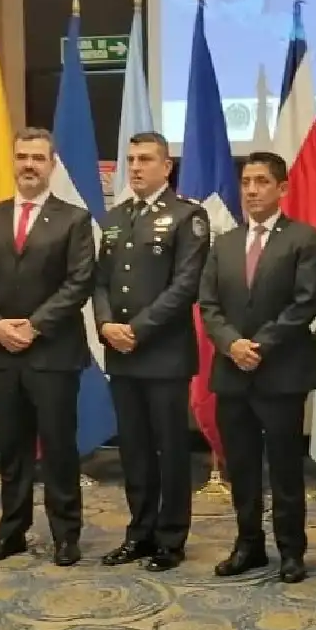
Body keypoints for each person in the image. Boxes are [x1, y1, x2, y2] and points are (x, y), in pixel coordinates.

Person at [198, 151, 316, 585]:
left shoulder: (303, 238)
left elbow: (306, 302)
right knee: (242, 465)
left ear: (282, 188)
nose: (252, 190)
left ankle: (291, 550)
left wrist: (261, 345)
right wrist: (232, 344)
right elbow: (209, 304)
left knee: (285, 467)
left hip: (281, 372)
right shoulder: (225, 243)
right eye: (247, 182)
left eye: (262, 182)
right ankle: (248, 543)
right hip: (233, 372)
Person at [0, 128, 95, 567]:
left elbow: (79, 283)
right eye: (22, 156)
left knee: (59, 448)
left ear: (51, 164)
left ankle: (66, 534)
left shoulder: (74, 219)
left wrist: (35, 326)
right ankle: (12, 533)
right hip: (2, 352)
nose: (29, 165)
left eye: (37, 158)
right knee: (12, 449)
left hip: (53, 354)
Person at [94, 131, 209, 572]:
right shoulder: (115, 217)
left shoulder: (186, 216)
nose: (136, 167)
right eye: (131, 159)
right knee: (134, 450)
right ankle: (139, 533)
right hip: (121, 352)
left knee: (169, 448)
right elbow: (99, 280)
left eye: (145, 159)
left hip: (162, 353)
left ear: (167, 167)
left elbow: (185, 286)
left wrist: (136, 329)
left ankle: (170, 538)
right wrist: (106, 324)